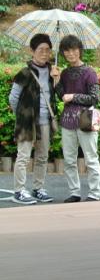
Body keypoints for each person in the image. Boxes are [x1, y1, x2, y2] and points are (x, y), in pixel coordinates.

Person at [7, 33, 58, 204]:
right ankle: (19, 191)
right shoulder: (25, 73)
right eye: (41, 50)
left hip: (45, 121)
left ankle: (38, 188)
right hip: (27, 123)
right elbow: (13, 98)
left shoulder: (53, 71)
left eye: (48, 50)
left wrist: (57, 80)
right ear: (32, 51)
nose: (45, 53)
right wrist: (22, 116)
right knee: (23, 156)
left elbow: (56, 95)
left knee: (42, 156)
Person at [54, 35, 100, 202]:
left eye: (74, 49)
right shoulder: (65, 73)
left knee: (91, 158)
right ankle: (74, 192)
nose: (70, 53)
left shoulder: (90, 72)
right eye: (66, 50)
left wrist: (73, 96)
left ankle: (94, 193)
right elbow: (61, 96)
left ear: (80, 50)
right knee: (69, 159)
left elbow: (95, 98)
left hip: (86, 119)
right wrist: (57, 80)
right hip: (67, 121)